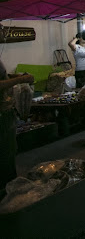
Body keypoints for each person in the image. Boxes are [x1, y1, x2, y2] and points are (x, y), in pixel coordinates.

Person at [0, 60, 33, 190]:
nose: (5, 38)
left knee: (9, 152)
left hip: (6, 113)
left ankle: (9, 187)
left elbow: (3, 76)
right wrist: (20, 80)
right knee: (4, 154)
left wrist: (17, 76)